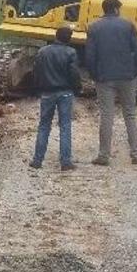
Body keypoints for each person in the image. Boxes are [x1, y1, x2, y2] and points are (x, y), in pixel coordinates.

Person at [85, 0, 137, 165]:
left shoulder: (94, 27)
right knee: (130, 114)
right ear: (117, 9)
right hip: (127, 76)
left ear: (104, 9)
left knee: (106, 115)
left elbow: (90, 55)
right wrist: (135, 71)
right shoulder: (128, 25)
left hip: (104, 77)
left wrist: (94, 75)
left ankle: (104, 155)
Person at [29, 26, 82, 171]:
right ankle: (65, 162)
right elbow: (74, 74)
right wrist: (77, 89)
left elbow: (36, 72)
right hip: (65, 92)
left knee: (44, 125)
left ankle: (37, 160)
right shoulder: (71, 52)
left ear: (56, 36)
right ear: (69, 38)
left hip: (47, 93)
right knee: (65, 126)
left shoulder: (43, 51)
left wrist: (37, 89)